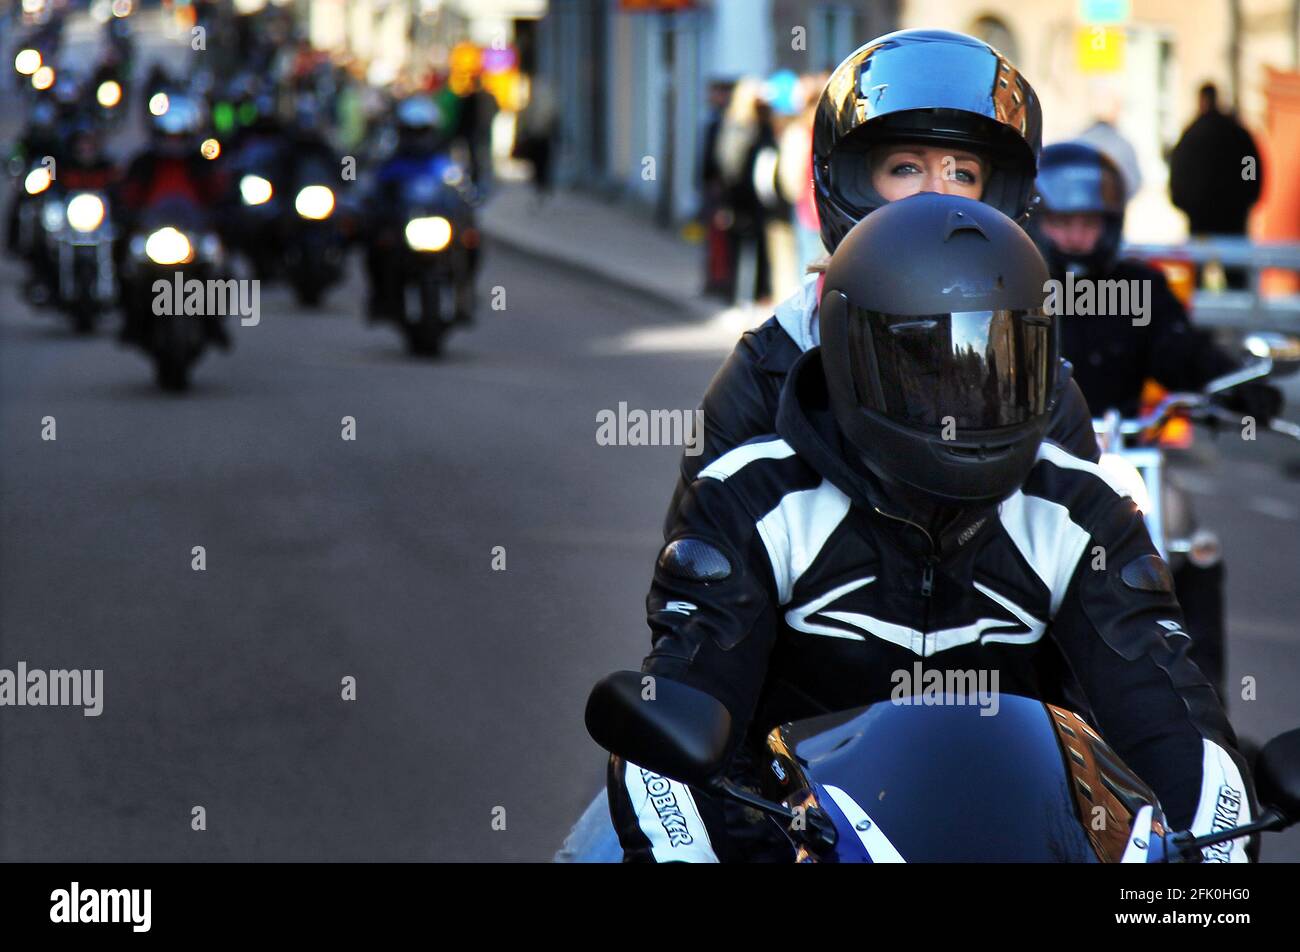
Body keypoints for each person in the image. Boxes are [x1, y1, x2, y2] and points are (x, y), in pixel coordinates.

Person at [607, 192, 1255, 862]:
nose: (969, 397)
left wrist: (1209, 868)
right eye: (927, 367)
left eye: (1000, 361)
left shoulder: (1083, 510)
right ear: (848, 353)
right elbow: (681, 709)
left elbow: (1170, 712)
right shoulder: (748, 498)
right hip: (790, 842)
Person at [661, 30, 1099, 540]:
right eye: (906, 168)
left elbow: (1096, 556)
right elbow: (699, 562)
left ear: (995, 193)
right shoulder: (773, 364)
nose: (937, 194)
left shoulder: (1040, 375)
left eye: (962, 173)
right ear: (852, 182)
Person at [1029, 140, 1282, 422]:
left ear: (1110, 224)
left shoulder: (1136, 289)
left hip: (1117, 453)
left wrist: (1240, 387)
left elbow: (1183, 352)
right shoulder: (1016, 288)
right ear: (1036, 221)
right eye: (1062, 223)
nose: (1076, 238)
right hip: (1028, 454)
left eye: (1089, 223)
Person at [1169, 83, 1264, 289]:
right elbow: (1249, 166)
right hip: (1233, 218)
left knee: (1196, 281)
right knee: (1237, 280)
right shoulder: (1237, 134)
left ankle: (1198, 321)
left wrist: (1185, 204)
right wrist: (1247, 197)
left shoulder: (1191, 136)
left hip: (1200, 220)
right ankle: (1239, 319)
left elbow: (1178, 174)